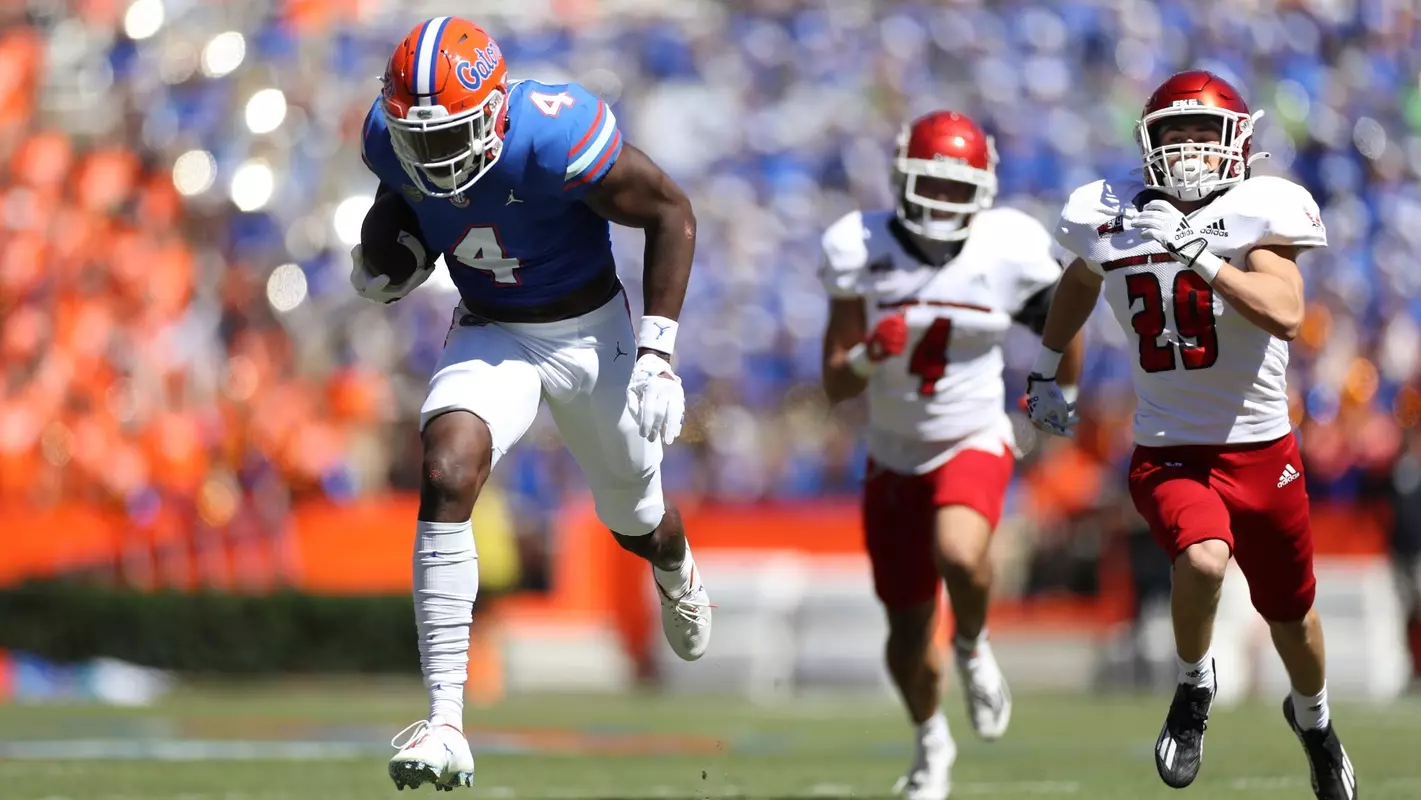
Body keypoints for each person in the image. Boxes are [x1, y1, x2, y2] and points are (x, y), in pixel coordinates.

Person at [352, 16, 711, 792]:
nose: (437, 158)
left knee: (635, 520)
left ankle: (674, 562)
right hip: (491, 328)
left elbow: (670, 212)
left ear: (495, 113)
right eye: (424, 141)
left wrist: (657, 351)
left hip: (592, 336)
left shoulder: (554, 131)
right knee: (446, 470)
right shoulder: (393, 137)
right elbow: (402, 206)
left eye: (453, 136)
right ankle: (446, 722)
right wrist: (383, 256)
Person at [1026, 69, 1357, 799]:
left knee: (1292, 618)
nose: (1188, 148)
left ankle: (1314, 723)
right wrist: (1047, 370)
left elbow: (1284, 310)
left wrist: (1198, 253)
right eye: (1173, 133)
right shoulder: (1105, 214)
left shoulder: (1259, 209)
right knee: (1202, 560)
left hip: (1262, 451)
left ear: (1237, 143)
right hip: (1168, 447)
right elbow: (1080, 279)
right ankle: (1191, 688)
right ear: (1146, 144)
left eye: (1203, 133)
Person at [819, 110, 1084, 800]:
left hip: (970, 434)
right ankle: (930, 741)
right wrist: (871, 352)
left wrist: (1061, 389)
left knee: (960, 552)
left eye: (953, 190)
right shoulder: (858, 246)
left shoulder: (1008, 248)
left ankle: (971, 643)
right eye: (928, 186)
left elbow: (1064, 320)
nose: (939, 204)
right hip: (891, 450)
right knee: (906, 633)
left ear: (982, 192)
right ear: (902, 181)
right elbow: (834, 382)